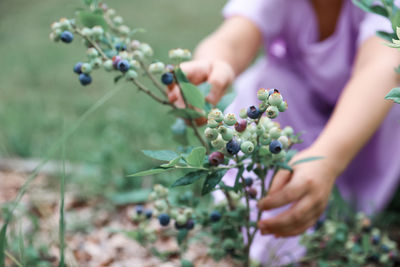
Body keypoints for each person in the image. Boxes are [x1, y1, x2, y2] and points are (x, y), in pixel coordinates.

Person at [168, 0, 400, 264]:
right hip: (299, 109)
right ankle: (257, 205)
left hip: (362, 126)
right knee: (269, 84)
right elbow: (233, 38)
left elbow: (381, 70)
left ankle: (336, 207)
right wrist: (212, 65)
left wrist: (328, 159)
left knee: (391, 101)